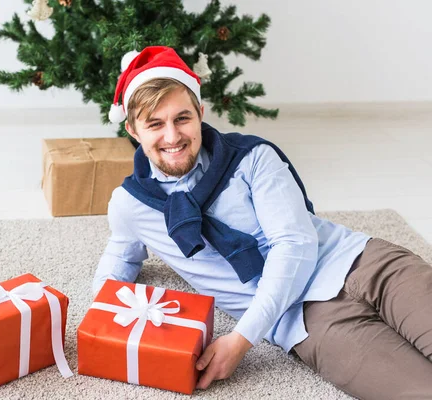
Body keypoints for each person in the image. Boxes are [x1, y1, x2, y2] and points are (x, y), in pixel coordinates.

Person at [92, 46, 432, 399]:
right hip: (304, 320)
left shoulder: (252, 157)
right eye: (155, 124)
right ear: (132, 129)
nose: (173, 137)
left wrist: (241, 339)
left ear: (200, 113)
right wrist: (104, 316)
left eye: (182, 118)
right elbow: (121, 259)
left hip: (362, 262)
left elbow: (294, 244)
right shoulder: (130, 205)